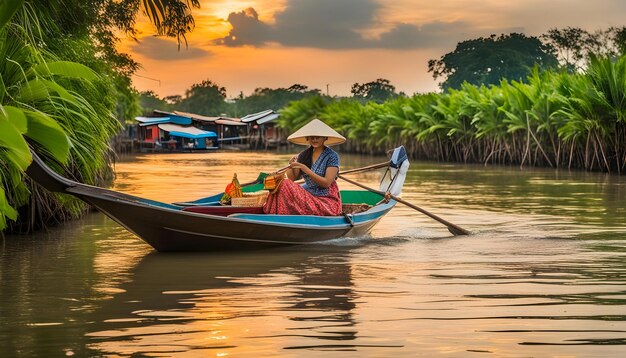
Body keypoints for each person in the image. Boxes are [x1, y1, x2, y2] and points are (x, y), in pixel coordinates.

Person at [263, 118, 345, 215]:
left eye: (318, 137)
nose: (314, 140)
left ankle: (284, 215)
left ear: (325, 138)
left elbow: (326, 183)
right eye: (312, 137)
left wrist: (306, 169)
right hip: (308, 195)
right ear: (307, 138)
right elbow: (291, 179)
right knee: (281, 184)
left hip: (326, 201)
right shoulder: (303, 155)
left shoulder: (332, 156)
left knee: (285, 184)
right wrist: (292, 166)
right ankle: (278, 216)